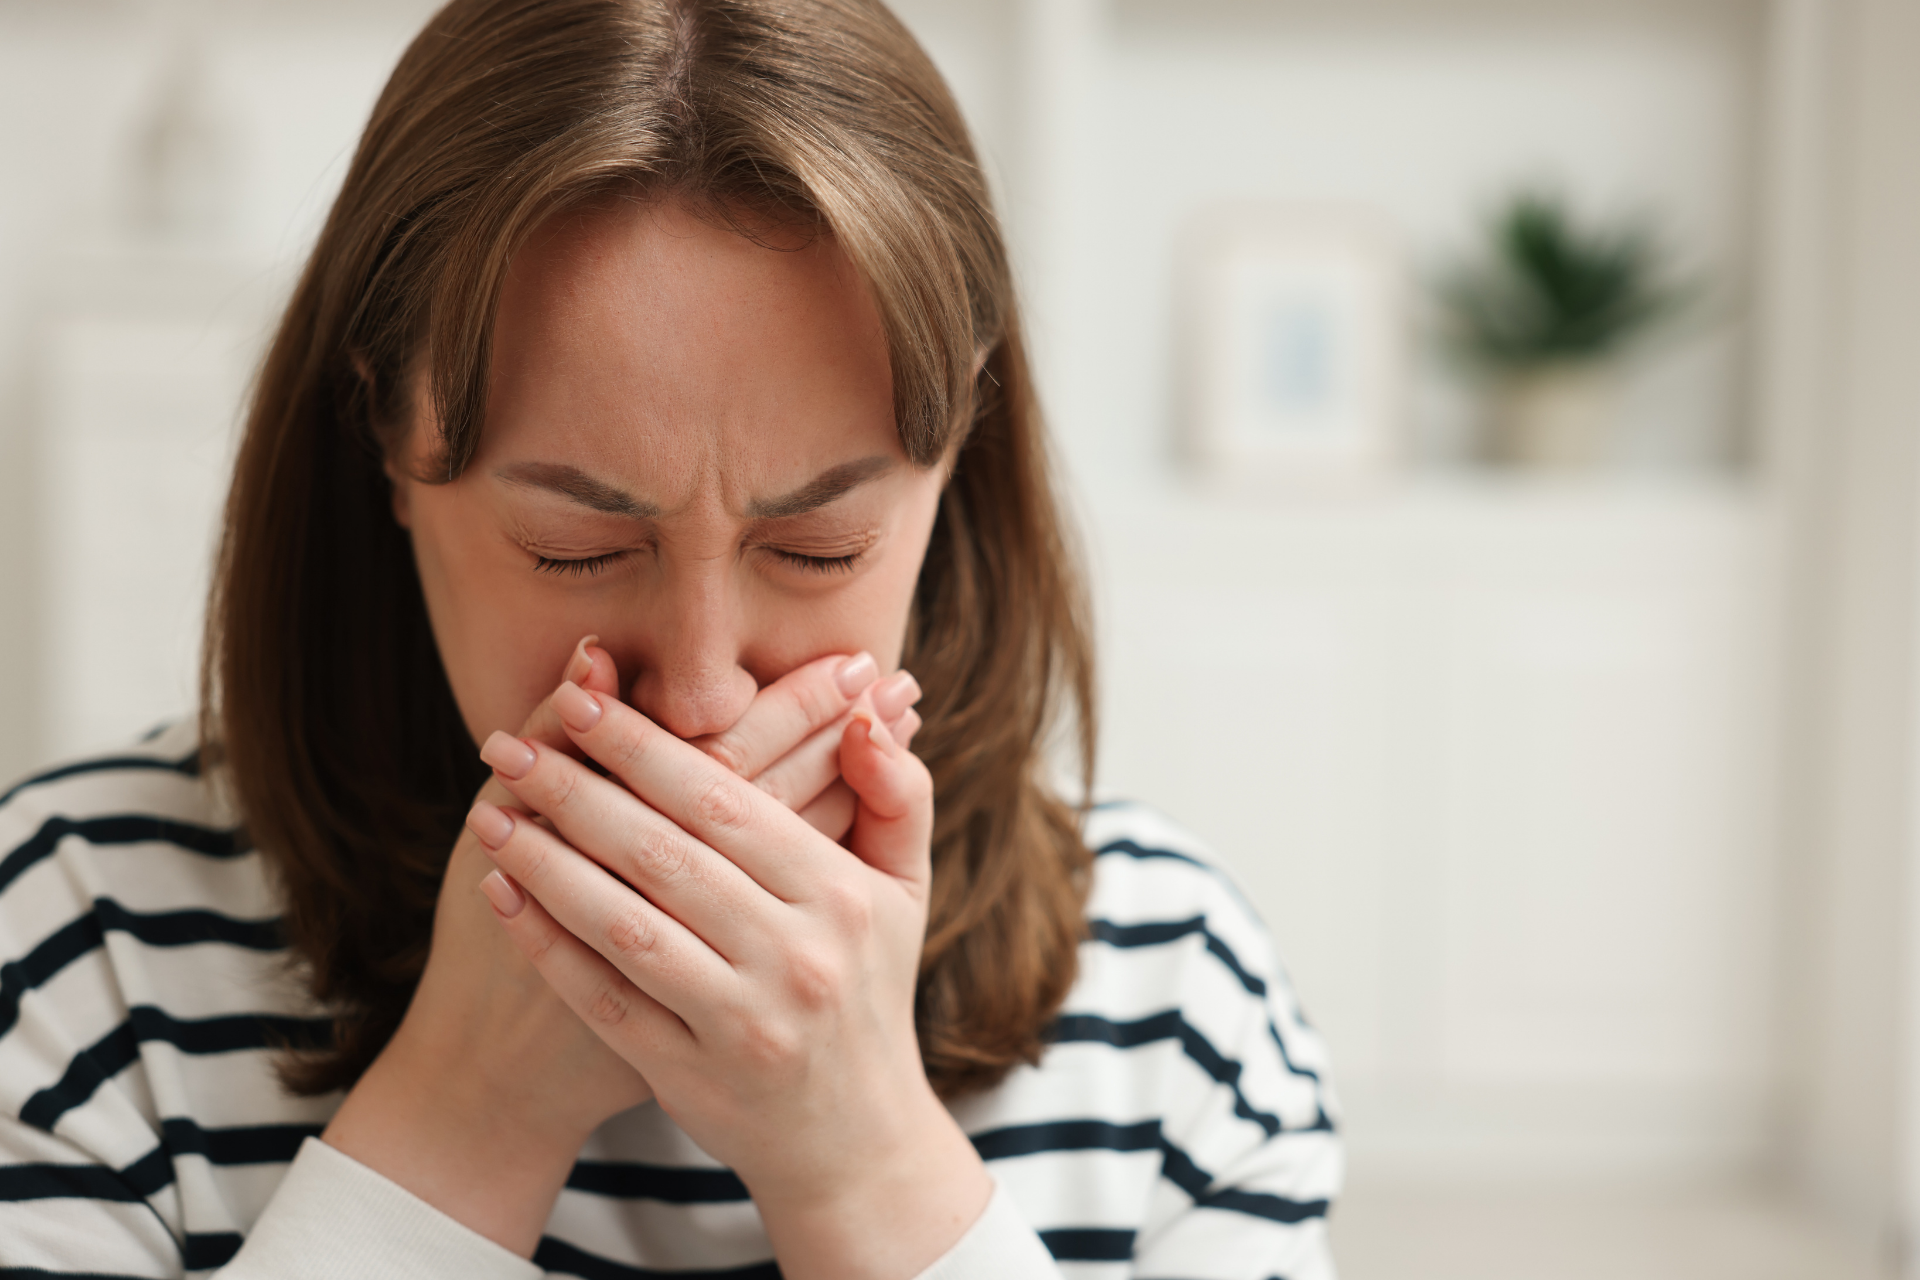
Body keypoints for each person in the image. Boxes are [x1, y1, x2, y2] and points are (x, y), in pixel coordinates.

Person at [0, 0, 1341, 1275]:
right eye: (577, 549)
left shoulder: (1174, 987)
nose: (699, 701)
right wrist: (468, 1114)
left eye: (819, 549)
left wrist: (861, 1162)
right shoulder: (74, 942)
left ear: (956, 467)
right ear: (388, 447)